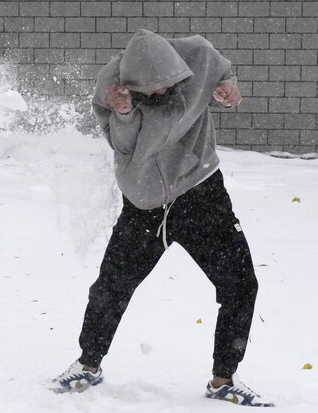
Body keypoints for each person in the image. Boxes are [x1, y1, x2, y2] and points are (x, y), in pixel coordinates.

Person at [51, 29, 274, 407]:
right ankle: (88, 363)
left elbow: (223, 73)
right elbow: (123, 148)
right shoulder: (112, 86)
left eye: (164, 88)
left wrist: (229, 89)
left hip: (201, 191)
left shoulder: (199, 55)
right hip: (144, 201)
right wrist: (123, 114)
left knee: (241, 283)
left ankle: (224, 378)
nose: (157, 95)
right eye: (147, 93)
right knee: (112, 285)